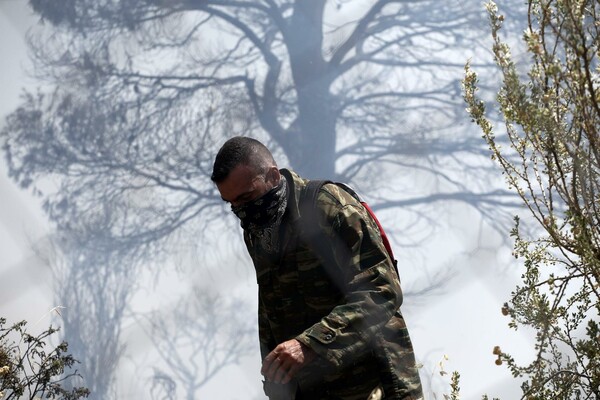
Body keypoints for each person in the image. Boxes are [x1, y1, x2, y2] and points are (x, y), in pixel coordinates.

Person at [211, 136, 423, 400]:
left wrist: (309, 344)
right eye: (233, 205)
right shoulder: (258, 230)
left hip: (378, 384)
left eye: (248, 197)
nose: (243, 212)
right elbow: (271, 307)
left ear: (273, 176)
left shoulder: (330, 206)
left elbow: (382, 290)